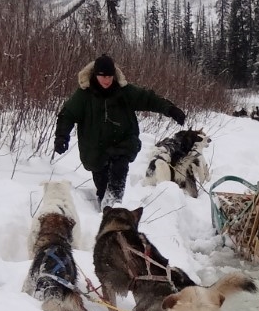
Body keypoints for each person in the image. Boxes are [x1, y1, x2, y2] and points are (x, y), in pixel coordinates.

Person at [54, 54, 188, 207]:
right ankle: (104, 209)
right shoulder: (84, 95)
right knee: (103, 186)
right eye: (103, 76)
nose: (107, 80)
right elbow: (67, 115)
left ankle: (113, 205)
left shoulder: (124, 91)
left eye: (110, 76)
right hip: (95, 149)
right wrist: (61, 137)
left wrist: (170, 109)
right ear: (95, 75)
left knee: (118, 173)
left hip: (123, 143)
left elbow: (148, 99)